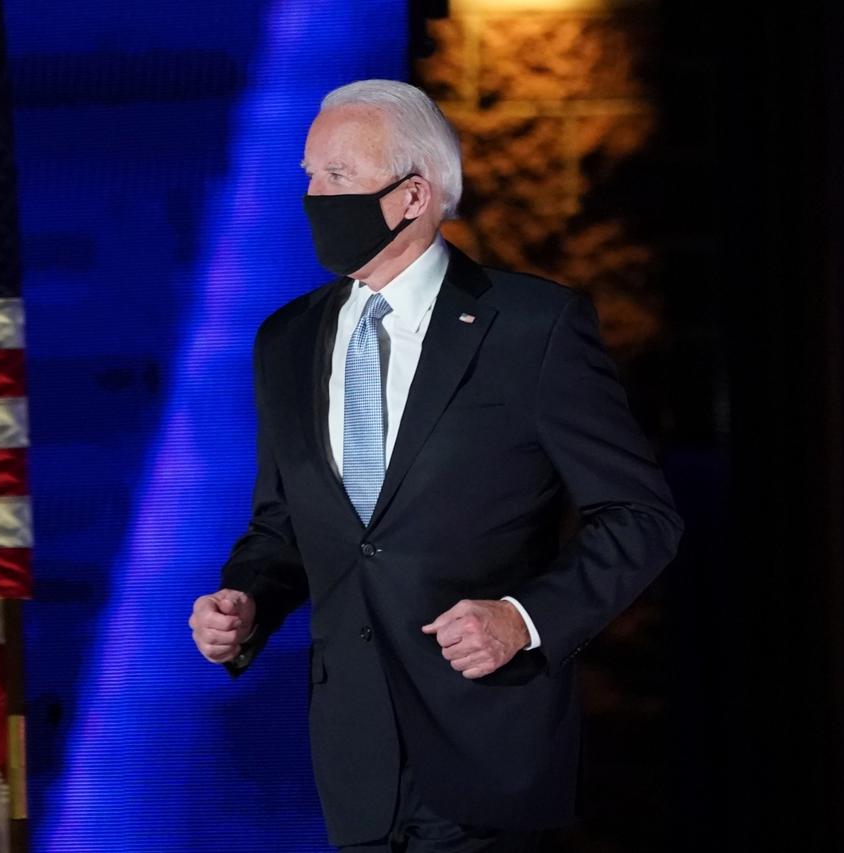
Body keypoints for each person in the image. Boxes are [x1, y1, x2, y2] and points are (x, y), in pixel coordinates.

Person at [188, 79, 684, 853]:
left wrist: (524, 619)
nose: (314, 195)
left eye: (337, 177)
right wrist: (245, 599)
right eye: (309, 174)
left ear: (412, 195)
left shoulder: (531, 328)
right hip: (355, 766)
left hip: (489, 750)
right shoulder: (284, 342)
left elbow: (641, 519)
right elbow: (285, 520)